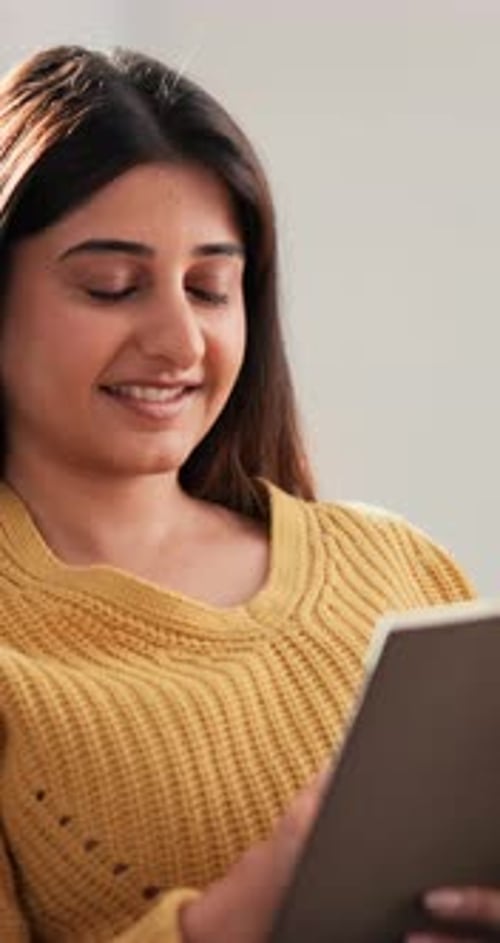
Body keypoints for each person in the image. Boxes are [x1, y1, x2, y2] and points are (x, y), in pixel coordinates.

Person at [0, 42, 495, 943]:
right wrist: (223, 925)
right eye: (112, 286)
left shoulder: (397, 568)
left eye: (210, 288)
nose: (179, 340)